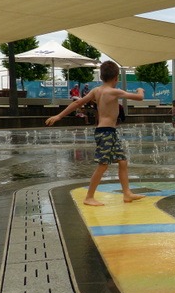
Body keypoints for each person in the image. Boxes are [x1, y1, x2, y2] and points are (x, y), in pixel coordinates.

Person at [45, 60, 145, 206]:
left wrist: (59, 116)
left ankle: (127, 193)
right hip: (106, 133)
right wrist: (140, 90)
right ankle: (89, 197)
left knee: (122, 161)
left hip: (107, 131)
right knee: (103, 165)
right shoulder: (114, 91)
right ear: (116, 77)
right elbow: (140, 98)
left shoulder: (96, 91)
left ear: (101, 77)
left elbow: (77, 103)